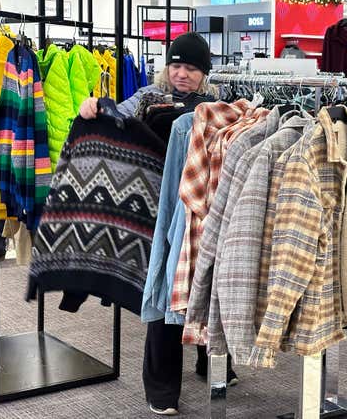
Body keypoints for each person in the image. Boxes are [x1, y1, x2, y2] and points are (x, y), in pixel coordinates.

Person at [78, 32, 236, 417]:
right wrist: (94, 105)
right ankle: (162, 389)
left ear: (205, 72)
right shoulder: (149, 97)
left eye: (191, 68)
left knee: (210, 285)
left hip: (205, 205)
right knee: (167, 290)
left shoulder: (217, 106)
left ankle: (214, 363)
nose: (182, 74)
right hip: (159, 207)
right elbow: (117, 115)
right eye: (176, 65)